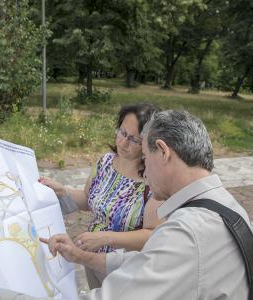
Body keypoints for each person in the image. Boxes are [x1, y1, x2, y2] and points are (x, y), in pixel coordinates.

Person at [0, 109, 253, 299]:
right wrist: (84, 257)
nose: (146, 173)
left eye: (146, 159)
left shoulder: (187, 236)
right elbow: (149, 263)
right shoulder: (226, 207)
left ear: (162, 152)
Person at [39, 103, 162, 288]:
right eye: (122, 132)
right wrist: (62, 191)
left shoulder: (152, 180)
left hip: (125, 269)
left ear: (148, 143)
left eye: (134, 140)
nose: (123, 143)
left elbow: (152, 235)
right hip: (91, 258)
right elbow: (88, 200)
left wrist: (106, 237)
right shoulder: (105, 162)